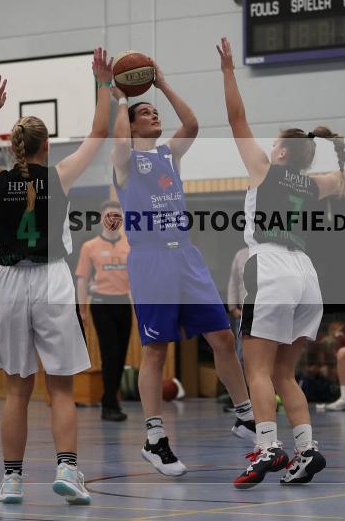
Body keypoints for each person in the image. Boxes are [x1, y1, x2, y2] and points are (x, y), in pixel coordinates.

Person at [218, 37, 345, 488]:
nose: (268, 147)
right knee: (283, 372)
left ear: (283, 153)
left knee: (255, 368)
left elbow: (236, 117)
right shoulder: (311, 184)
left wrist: (229, 70)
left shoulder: (265, 171)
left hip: (270, 268)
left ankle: (269, 447)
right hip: (305, 276)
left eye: (274, 145)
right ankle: (307, 450)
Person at [0, 49, 111, 505]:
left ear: (13, 146)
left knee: (17, 389)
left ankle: (11, 480)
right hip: (52, 279)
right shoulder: (59, 176)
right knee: (61, 387)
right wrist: (104, 85)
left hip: (9, 282)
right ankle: (68, 471)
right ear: (45, 145)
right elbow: (98, 132)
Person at [111, 52, 255, 478]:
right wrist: (121, 98)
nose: (154, 115)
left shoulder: (167, 156)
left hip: (186, 256)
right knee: (156, 350)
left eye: (156, 112)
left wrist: (163, 83)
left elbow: (192, 125)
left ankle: (246, 415)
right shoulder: (124, 162)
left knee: (223, 339)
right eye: (147, 113)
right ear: (133, 125)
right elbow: (117, 143)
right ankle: (155, 439)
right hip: (151, 260)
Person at [75, 201, 132, 422]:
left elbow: (136, 278)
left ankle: (111, 401)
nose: (113, 219)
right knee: (111, 353)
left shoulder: (129, 246)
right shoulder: (90, 247)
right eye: (109, 215)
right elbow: (82, 280)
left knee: (121, 355)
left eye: (117, 216)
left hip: (123, 304)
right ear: (102, 218)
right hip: (101, 304)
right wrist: (82, 310)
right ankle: (109, 403)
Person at [227, 246, 249, 362]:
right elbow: (233, 283)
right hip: (242, 313)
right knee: (241, 353)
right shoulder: (241, 254)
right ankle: (243, 381)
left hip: (265, 313)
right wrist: (233, 309)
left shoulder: (272, 252)